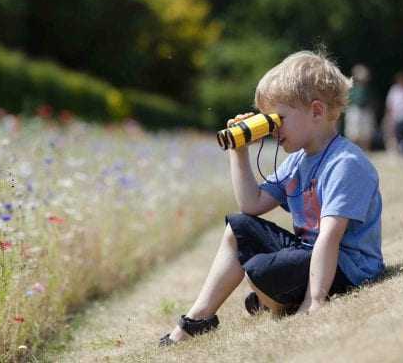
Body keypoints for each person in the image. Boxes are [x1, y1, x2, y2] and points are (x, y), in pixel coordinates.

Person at [159, 51, 384, 345]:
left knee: (259, 269)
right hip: (309, 253)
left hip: (348, 267)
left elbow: (329, 238)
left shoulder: (345, 163)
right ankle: (198, 318)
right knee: (240, 228)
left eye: (278, 119)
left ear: (316, 112)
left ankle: (277, 300)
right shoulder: (297, 160)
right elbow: (251, 204)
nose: (272, 128)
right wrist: (238, 151)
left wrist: (313, 303)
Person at [344, 64, 376, 151]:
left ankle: (365, 151)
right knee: (353, 134)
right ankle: (353, 150)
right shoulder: (351, 88)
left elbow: (371, 102)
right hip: (354, 111)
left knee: (366, 134)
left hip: (365, 111)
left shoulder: (367, 89)